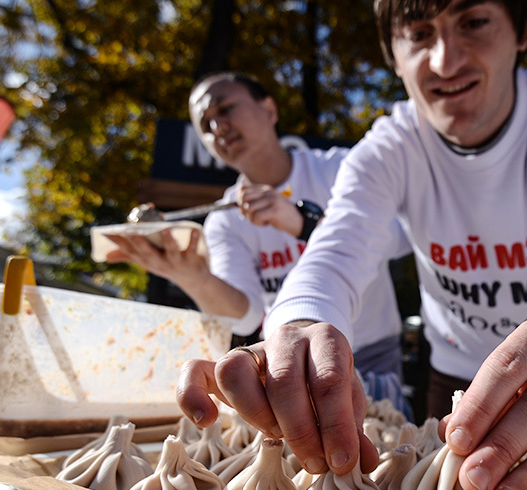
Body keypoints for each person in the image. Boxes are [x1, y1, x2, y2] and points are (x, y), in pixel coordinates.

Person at [176, 0, 527, 490]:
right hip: (450, 381)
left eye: (473, 21)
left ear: (521, 29)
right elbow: (338, 247)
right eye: (419, 34)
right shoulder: (389, 148)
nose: (445, 61)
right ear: (393, 54)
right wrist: (296, 325)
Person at [106, 72, 413, 417]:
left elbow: (398, 240)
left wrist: (302, 223)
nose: (217, 127)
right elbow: (245, 314)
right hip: (290, 359)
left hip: (371, 351)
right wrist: (192, 276)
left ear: (269, 110)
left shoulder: (339, 169)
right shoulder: (224, 219)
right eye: (205, 124)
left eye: (225, 109)